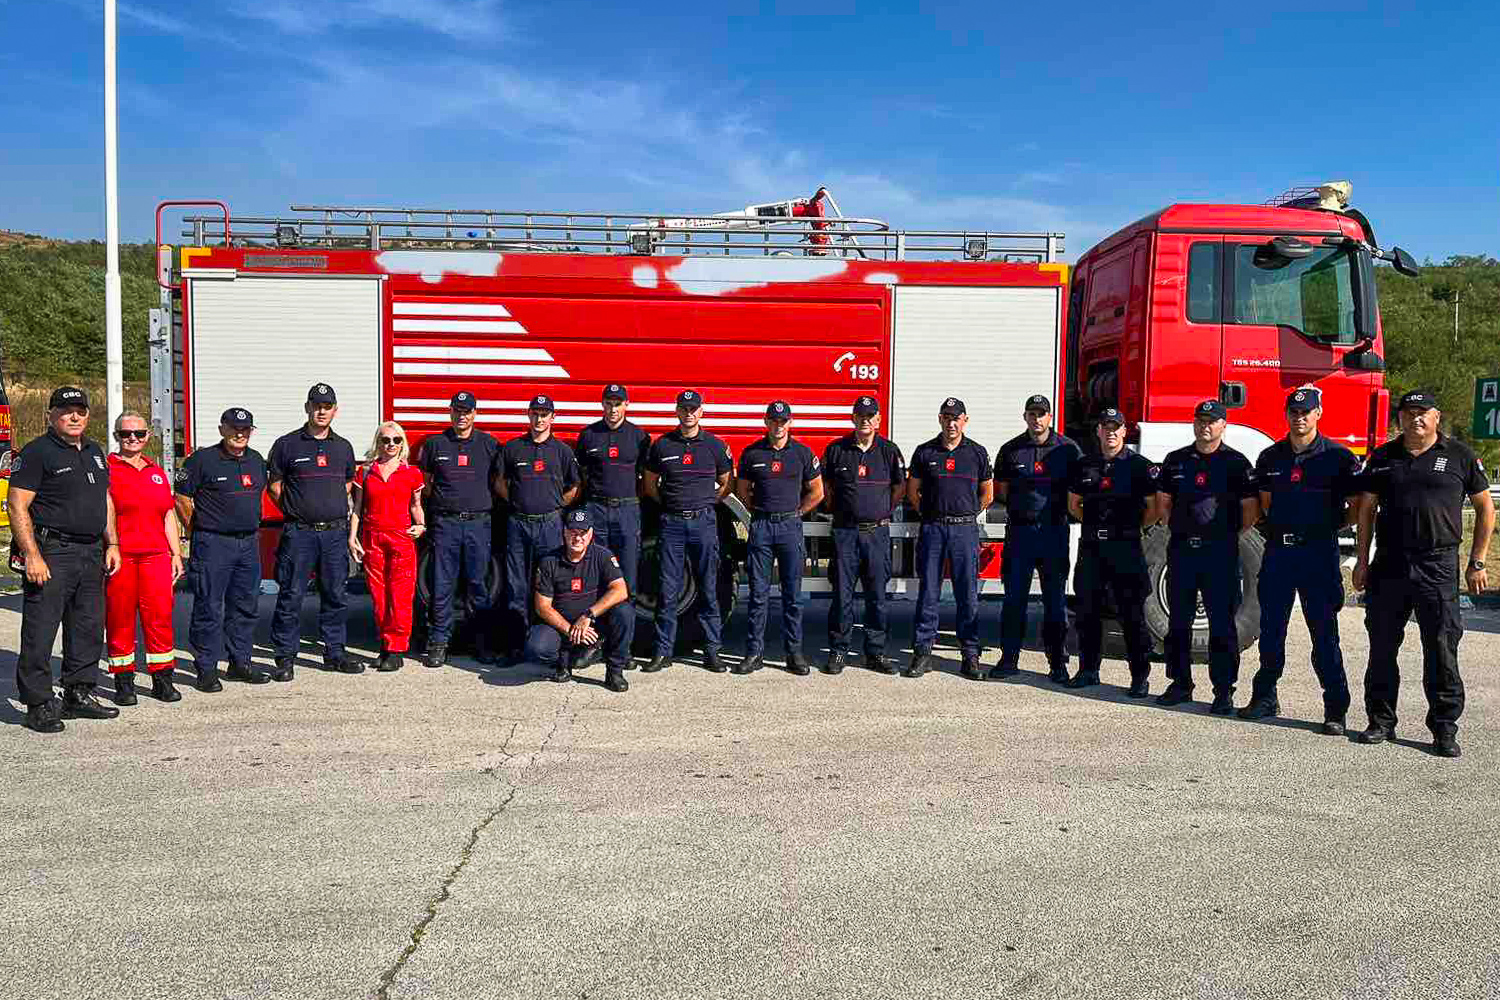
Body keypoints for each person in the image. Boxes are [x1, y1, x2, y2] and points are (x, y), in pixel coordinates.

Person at [1353, 390, 1494, 757]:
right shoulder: (1383, 458)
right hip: (1390, 564)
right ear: (1399, 418)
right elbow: (1366, 511)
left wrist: (1477, 560)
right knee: (1382, 645)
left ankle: (1444, 728)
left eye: (1422, 412)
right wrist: (1362, 562)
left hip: (1437, 564)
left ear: (1437, 416)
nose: (1415, 418)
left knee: (1442, 647)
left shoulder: (1459, 455)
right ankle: (1381, 721)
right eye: (1408, 412)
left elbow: (1485, 509)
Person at [1240, 387, 1362, 732]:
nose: (1300, 417)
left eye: (1306, 411)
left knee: (1324, 634)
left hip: (1318, 554)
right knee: (1271, 629)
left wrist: (1323, 527)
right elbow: (1263, 503)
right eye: (1294, 412)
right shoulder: (1270, 457)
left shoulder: (1339, 457)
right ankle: (1265, 697)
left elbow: (1354, 509)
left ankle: (1335, 708)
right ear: (1286, 415)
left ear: (1319, 413)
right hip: (1279, 553)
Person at [8, 386, 121, 733]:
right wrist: (32, 555)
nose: (74, 416)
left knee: (87, 626)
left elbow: (104, 500)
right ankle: (38, 703)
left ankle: (79, 692)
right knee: (41, 631)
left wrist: (112, 542)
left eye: (80, 411)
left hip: (90, 551)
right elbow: (17, 504)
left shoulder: (95, 451)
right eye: (66, 410)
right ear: (50, 415)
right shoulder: (37, 452)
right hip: (52, 552)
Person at [1154, 399, 1260, 713]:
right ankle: (1180, 684)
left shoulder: (1237, 463)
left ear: (1223, 425)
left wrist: (1225, 535)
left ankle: (1223, 691)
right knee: (1179, 623)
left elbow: (1250, 511)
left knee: (1222, 625)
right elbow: (1163, 505)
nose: (1205, 426)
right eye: (1200, 420)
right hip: (1183, 550)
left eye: (1212, 421)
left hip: (1220, 553)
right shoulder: (1176, 461)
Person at [267, 383, 358, 679]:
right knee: (291, 595)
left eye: (327, 406)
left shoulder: (343, 447)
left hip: (333, 534)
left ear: (335, 410)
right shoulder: (287, 445)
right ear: (307, 407)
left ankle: (335, 653)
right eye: (316, 405)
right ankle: (285, 658)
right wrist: (298, 510)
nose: (322, 411)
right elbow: (275, 487)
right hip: (300, 533)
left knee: (335, 594)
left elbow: (346, 486)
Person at [175, 408, 271, 689]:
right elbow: (181, 498)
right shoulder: (201, 461)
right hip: (213, 543)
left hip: (248, 543)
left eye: (245, 429)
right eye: (233, 428)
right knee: (209, 606)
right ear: (221, 430)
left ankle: (240, 663)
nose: (239, 433)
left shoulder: (256, 461)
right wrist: (199, 531)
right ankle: (206, 667)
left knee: (245, 606)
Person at [641, 389, 734, 674]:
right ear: (677, 411)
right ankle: (663, 652)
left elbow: (726, 482)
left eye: (694, 408)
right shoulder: (662, 446)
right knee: (668, 590)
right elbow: (650, 485)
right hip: (672, 524)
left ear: (701, 412)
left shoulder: (715, 447)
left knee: (708, 588)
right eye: (684, 408)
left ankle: (712, 652)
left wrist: (706, 504)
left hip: (703, 524)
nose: (689, 413)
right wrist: (672, 505)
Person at [993, 394, 1082, 682]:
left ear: (1050, 417)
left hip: (1053, 532)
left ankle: (1058, 663)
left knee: (1055, 602)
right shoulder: (1011, 450)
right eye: (1032, 413)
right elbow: (1002, 490)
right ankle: (1009, 659)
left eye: (1042, 414)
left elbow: (1078, 491)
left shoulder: (1068, 450)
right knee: (1014, 599)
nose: (1037, 419)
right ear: (1025, 417)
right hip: (1020, 533)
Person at [734, 401, 823, 675]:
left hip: (789, 527)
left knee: (792, 595)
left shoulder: (803, 454)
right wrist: (760, 514)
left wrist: (796, 513)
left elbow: (817, 492)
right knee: (758, 595)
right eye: (773, 421)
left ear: (790, 423)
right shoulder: (751, 454)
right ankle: (754, 653)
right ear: (766, 422)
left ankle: (794, 654)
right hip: (761, 526)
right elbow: (742, 490)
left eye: (783, 421)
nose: (778, 426)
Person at [906, 397, 993, 680]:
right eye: (946, 417)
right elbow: (913, 493)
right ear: (940, 419)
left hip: (964, 530)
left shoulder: (977, 453)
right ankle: (923, 653)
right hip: (933, 528)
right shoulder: (924, 452)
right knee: (928, 592)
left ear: (965, 420)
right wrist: (933, 515)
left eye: (956, 418)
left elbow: (987, 494)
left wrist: (966, 514)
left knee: (967, 593)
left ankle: (970, 655)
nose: (951, 423)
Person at [415, 391, 501, 668]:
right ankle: (439, 643)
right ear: (450, 412)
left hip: (478, 523)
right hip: (446, 524)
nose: (462, 416)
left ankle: (483, 643)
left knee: (478, 585)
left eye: (467, 411)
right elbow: (425, 484)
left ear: (475, 414)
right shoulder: (435, 444)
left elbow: (497, 481)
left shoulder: (489, 444)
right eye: (457, 411)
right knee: (442, 586)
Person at [821, 395, 906, 675]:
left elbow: (899, 488)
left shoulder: (889, 451)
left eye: (871, 415)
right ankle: (838, 651)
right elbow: (827, 488)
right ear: (853, 419)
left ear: (879, 420)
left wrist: (882, 511)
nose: (865, 419)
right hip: (845, 533)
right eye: (860, 415)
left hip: (877, 534)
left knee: (877, 597)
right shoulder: (836, 450)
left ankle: (875, 653)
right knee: (842, 596)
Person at [104, 411, 184, 705]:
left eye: (138, 433)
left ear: (148, 436)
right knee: (120, 619)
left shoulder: (157, 472)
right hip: (122, 557)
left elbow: (167, 514)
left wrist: (176, 553)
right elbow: (105, 512)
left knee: (159, 618)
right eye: (126, 434)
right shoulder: (107, 469)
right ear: (116, 437)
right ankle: (124, 682)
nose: (133, 439)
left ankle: (162, 679)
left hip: (156, 556)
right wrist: (111, 546)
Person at [498, 394, 580, 662]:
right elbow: (499, 481)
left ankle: (553, 645)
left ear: (553, 418)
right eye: (535, 413)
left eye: (544, 414)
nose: (539, 418)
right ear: (528, 415)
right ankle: (515, 646)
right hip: (519, 524)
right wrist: (516, 502)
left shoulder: (563, 451)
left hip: (550, 525)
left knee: (551, 586)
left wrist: (556, 506)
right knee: (516, 587)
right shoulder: (513, 448)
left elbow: (574, 487)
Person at [575, 383, 650, 664]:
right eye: (608, 403)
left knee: (626, 582)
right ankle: (592, 645)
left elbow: (646, 480)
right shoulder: (589, 435)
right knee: (593, 581)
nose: (613, 409)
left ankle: (622, 650)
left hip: (627, 511)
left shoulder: (640, 437)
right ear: (602, 405)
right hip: (596, 510)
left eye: (618, 404)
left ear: (626, 405)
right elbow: (582, 475)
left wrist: (626, 502)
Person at [525, 507, 631, 692]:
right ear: (564, 532)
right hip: (561, 628)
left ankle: (614, 671)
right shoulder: (549, 561)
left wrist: (588, 615)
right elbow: (542, 607)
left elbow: (621, 590)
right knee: (536, 648)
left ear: (591, 534)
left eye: (583, 532)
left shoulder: (603, 556)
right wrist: (570, 630)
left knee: (625, 612)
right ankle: (564, 662)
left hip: (593, 623)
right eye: (573, 532)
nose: (578, 538)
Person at [350, 421, 426, 672]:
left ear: (402, 443)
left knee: (400, 596)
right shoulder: (365, 472)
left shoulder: (411, 473)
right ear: (377, 443)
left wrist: (421, 525)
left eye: (396, 440)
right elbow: (357, 509)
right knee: (379, 597)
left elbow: (416, 505)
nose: (391, 444)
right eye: (385, 440)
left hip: (400, 538)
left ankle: (396, 649)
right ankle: (385, 644)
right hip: (373, 538)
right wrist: (353, 537)